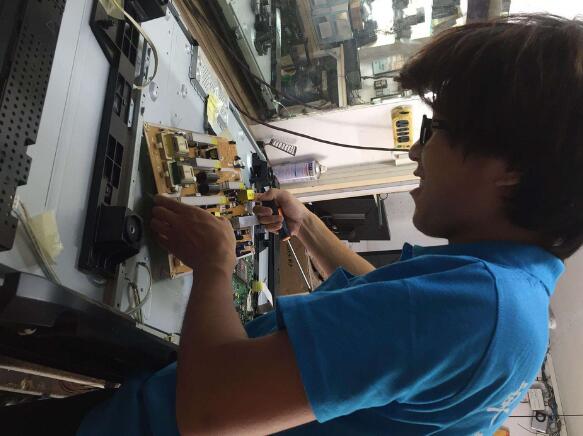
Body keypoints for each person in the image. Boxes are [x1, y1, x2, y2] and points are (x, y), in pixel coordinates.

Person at [3, 13, 581, 436]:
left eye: (436, 131)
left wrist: (214, 266)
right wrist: (306, 227)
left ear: (510, 170)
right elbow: (388, 307)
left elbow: (208, 412)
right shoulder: (511, 305)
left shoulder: (477, 309)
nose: (415, 153)